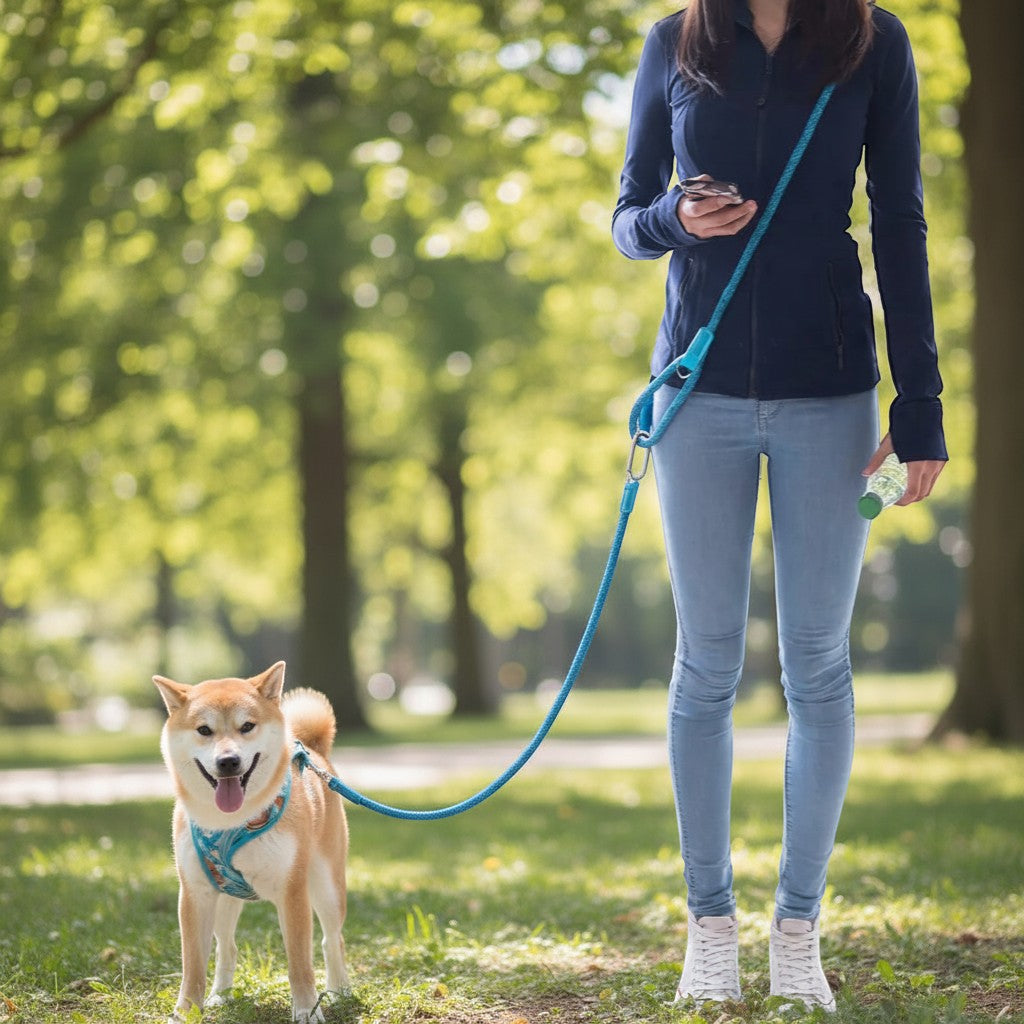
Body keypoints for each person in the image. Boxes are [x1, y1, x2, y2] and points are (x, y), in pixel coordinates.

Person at [611, 0, 947, 1011]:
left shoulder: (872, 42)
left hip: (830, 390)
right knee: (703, 662)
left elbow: (898, 215)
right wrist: (676, 218)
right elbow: (628, 215)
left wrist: (919, 398)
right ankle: (709, 927)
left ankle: (796, 928)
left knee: (818, 664)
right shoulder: (672, 40)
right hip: (696, 394)